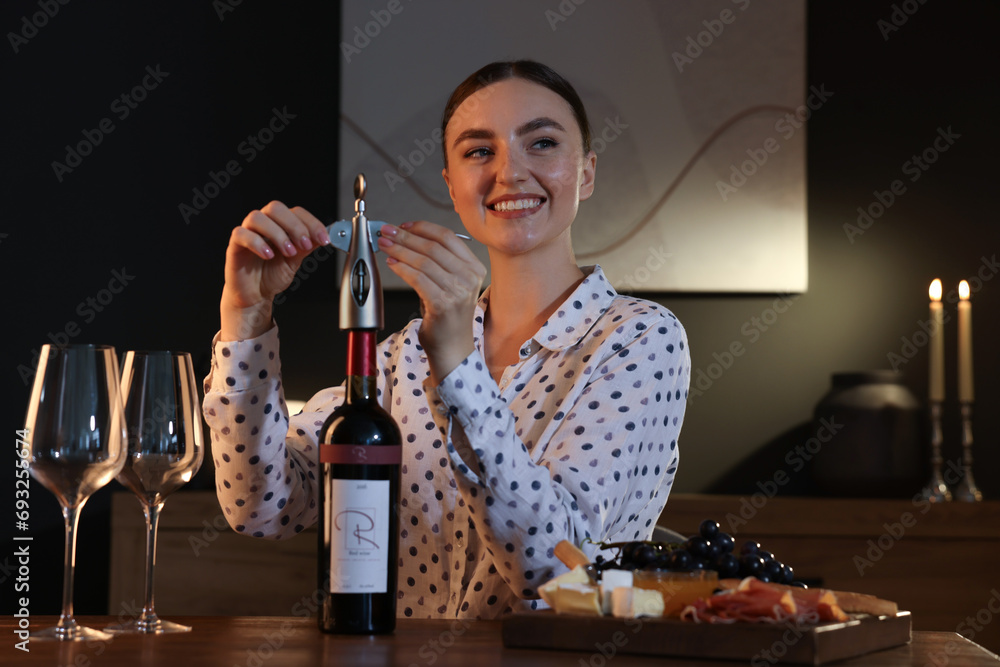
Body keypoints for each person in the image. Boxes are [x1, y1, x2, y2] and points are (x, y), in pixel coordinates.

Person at [202, 60, 690, 619]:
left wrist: (457, 366)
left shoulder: (641, 339)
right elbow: (262, 507)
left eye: (543, 143)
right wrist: (247, 316)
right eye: (479, 151)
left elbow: (563, 572)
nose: (509, 173)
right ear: (452, 188)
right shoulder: (403, 355)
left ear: (585, 173)